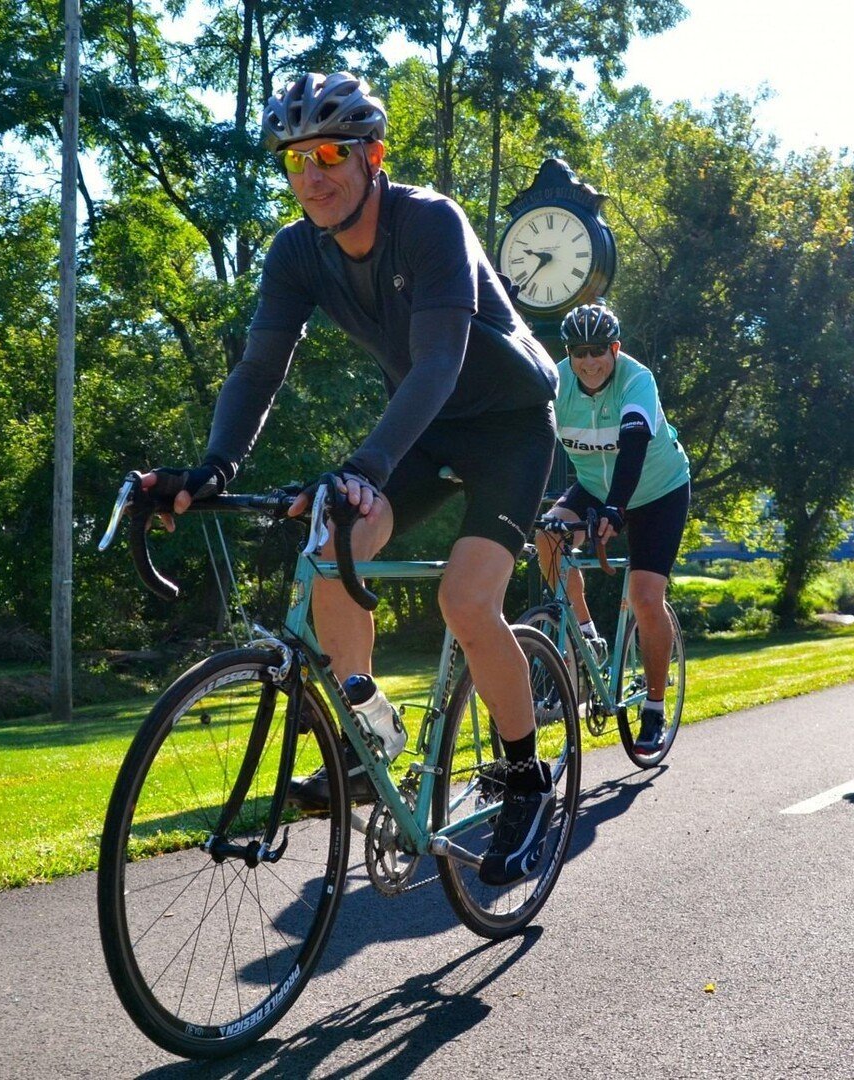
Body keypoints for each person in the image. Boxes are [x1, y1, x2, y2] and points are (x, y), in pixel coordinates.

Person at [139, 72, 560, 887]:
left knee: (466, 601)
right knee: (333, 547)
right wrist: (214, 467)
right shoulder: (297, 251)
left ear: (372, 156)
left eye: (330, 153)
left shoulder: (430, 222)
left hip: (505, 422)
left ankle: (524, 780)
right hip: (427, 422)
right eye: (295, 160)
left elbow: (440, 359)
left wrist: (365, 466)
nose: (312, 174)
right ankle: (375, 739)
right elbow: (259, 368)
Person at [537, 302, 690, 752]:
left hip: (658, 492)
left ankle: (655, 709)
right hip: (593, 485)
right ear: (568, 353)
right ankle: (587, 635)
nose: (588, 361)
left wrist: (615, 509)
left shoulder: (637, 380)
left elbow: (635, 443)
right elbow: (532, 441)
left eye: (598, 350)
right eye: (578, 351)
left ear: (615, 348)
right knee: (547, 536)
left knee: (644, 598)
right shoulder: (555, 380)